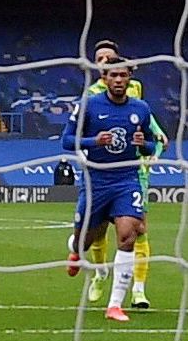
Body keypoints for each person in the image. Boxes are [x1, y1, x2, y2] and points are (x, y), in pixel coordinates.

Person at [67, 58, 159, 324]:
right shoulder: (89, 105)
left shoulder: (141, 108)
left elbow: (151, 146)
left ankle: (115, 305)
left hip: (126, 180)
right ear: (104, 78)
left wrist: (144, 145)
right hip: (95, 181)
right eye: (113, 76)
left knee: (129, 235)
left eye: (123, 75)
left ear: (130, 77)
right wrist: (92, 141)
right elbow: (66, 140)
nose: (119, 80)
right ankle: (75, 250)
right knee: (84, 241)